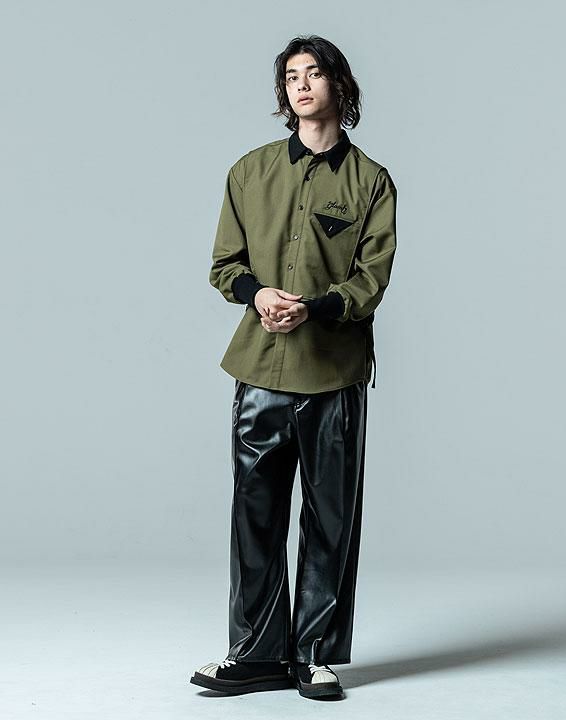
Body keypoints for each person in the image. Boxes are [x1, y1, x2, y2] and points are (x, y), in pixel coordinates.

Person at [190, 34, 397, 700]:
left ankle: (313, 654)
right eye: (290, 77)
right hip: (260, 369)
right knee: (254, 513)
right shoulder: (249, 172)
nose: (301, 85)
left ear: (339, 84)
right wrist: (258, 295)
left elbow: (370, 281)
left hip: (334, 373)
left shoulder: (371, 181)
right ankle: (254, 653)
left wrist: (314, 307)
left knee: (330, 516)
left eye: (313, 73)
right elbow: (225, 265)